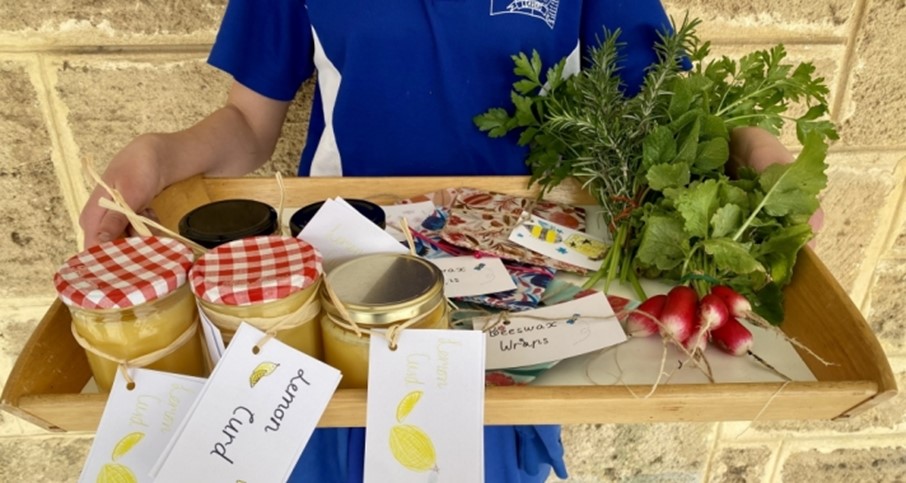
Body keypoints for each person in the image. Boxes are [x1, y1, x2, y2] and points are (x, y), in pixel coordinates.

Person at [79, 1, 809, 481]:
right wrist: (162, 154)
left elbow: (656, 100)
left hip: (510, 296)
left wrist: (746, 143)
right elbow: (248, 122)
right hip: (340, 278)